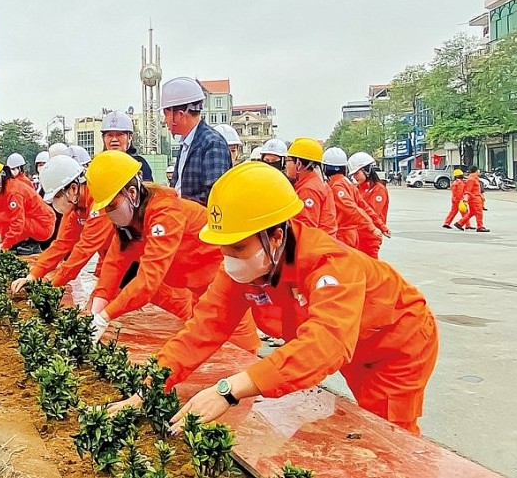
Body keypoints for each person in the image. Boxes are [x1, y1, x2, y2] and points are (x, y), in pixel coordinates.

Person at [111, 162, 439, 436]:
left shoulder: (329, 264)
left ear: (277, 235)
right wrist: (149, 387)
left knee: (388, 434)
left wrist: (230, 390)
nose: (229, 258)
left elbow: (325, 344)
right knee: (363, 427)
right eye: (224, 247)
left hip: (396, 343)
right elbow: (203, 328)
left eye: (238, 247)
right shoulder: (247, 265)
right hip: (355, 343)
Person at [84, 150, 260, 351]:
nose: (109, 213)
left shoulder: (165, 213)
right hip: (197, 292)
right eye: (106, 208)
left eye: (112, 205)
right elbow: (113, 266)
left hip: (226, 289)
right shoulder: (130, 225)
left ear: (131, 193)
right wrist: (94, 314)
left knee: (239, 354)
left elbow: (147, 282)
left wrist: (105, 316)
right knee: (202, 350)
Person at [10, 155, 116, 293]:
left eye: (57, 197)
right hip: (110, 260)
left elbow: (84, 250)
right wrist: (33, 275)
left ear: (73, 188)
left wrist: (52, 286)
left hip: (133, 261)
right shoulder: (75, 206)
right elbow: (61, 244)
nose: (55, 203)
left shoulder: (99, 202)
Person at [163, 77, 231, 206]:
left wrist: (179, 205)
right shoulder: (186, 144)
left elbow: (213, 196)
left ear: (180, 115)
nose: (164, 120)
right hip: (185, 220)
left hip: (201, 224)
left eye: (166, 114)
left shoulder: (212, 144)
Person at [0, 158, 56, 254]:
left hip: (43, 226)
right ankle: (21, 241)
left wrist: (5, 245)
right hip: (33, 221)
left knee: (13, 218)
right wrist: (0, 235)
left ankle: (29, 243)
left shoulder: (13, 193)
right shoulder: (5, 188)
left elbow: (17, 222)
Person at [323, 147, 388, 253]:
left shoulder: (337, 186)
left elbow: (353, 209)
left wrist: (373, 227)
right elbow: (363, 207)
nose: (355, 177)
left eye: (357, 173)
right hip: (356, 234)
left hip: (347, 236)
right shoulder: (351, 185)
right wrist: (381, 226)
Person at [284, 138, 337, 237]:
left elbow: (306, 229)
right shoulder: (311, 182)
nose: (285, 165)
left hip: (317, 247)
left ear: (299, 164)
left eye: (288, 160)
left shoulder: (308, 189)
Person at [349, 152, 390, 259]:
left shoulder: (378, 189)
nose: (354, 177)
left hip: (371, 237)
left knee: (371, 269)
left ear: (366, 170)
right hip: (358, 235)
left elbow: (371, 213)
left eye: (357, 173)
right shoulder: (357, 188)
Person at [100, 110, 154, 181]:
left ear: (130, 137)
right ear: (103, 138)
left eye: (120, 134)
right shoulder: (98, 165)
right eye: (109, 135)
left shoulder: (139, 165)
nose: (114, 139)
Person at [458, 166, 489, 232]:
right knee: (479, 213)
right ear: (476, 171)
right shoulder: (472, 179)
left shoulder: (474, 178)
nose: (479, 172)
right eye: (479, 170)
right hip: (474, 199)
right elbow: (468, 190)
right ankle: (480, 227)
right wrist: (466, 198)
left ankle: (460, 223)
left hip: (475, 198)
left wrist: (481, 196)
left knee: (472, 213)